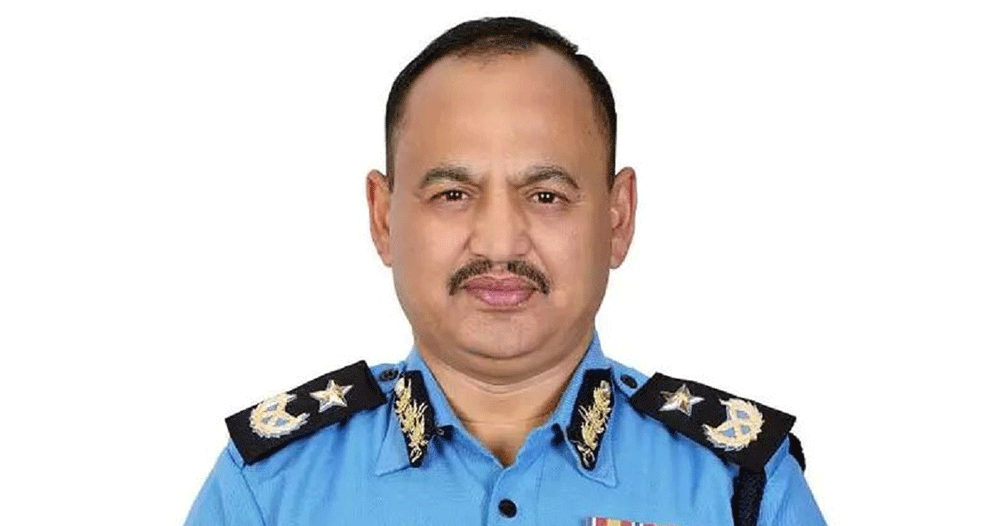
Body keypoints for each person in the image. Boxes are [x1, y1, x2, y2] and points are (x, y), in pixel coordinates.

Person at [184, 16, 826, 526]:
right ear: (383, 217)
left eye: (546, 195)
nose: (498, 241)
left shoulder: (741, 489)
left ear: (618, 217)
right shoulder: (268, 490)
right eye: (452, 194)